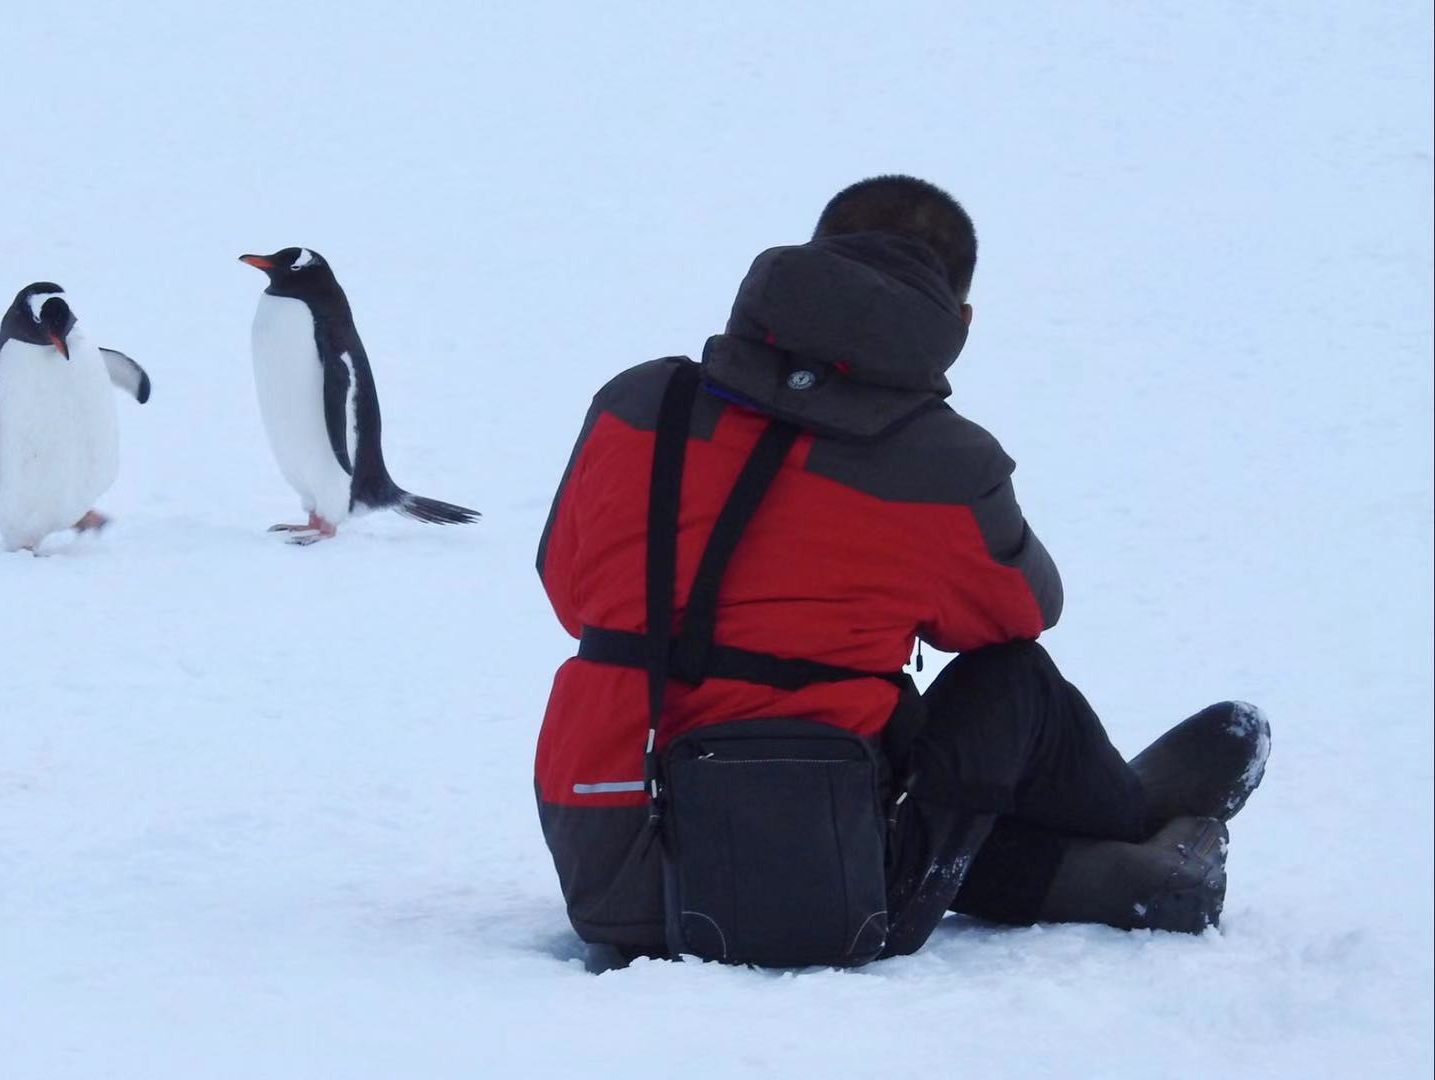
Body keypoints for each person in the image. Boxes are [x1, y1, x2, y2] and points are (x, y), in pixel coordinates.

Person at [533, 176, 1271, 968]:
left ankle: (1123, 877)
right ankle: (1128, 823)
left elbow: (568, 586)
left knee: (881, 714)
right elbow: (1023, 611)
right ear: (960, 321)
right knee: (1011, 681)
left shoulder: (641, 400)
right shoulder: (940, 458)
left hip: (609, 861)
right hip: (813, 876)